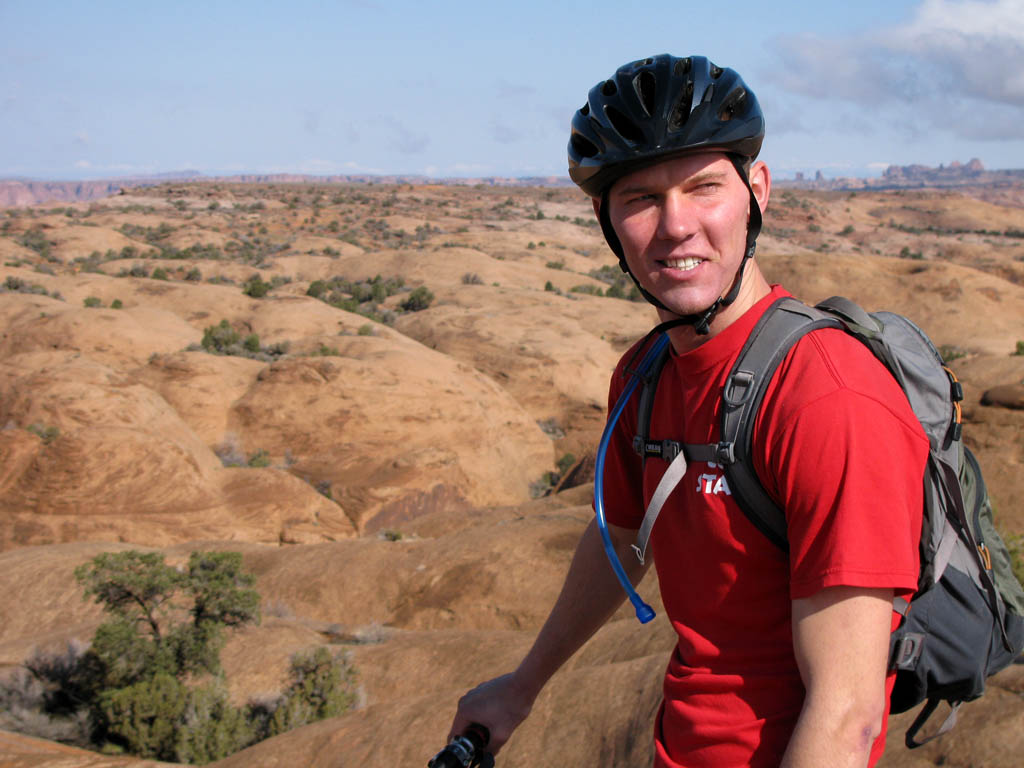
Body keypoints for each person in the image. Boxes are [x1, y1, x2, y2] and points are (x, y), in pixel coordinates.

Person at [447, 54, 929, 768]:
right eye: (640, 198)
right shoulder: (645, 375)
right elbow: (622, 536)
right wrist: (523, 687)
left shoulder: (827, 396)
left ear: (756, 192)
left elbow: (848, 714)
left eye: (704, 188)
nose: (676, 227)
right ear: (606, 220)